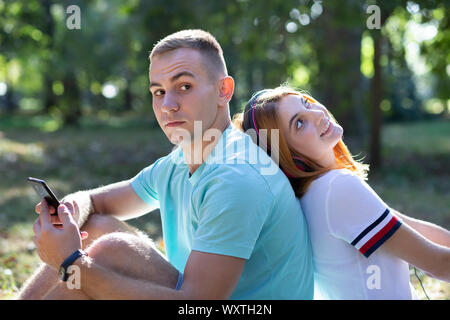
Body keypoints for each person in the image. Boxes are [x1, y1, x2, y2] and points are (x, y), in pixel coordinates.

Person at [18, 30, 314, 300]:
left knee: (109, 252)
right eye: (158, 91)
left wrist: (71, 263)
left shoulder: (237, 176)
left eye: (184, 86)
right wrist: (70, 212)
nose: (167, 104)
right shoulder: (179, 160)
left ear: (224, 90)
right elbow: (96, 203)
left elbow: (198, 304)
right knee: (95, 226)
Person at [233, 85, 450, 299]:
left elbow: (416, 230)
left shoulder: (317, 192)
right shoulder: (337, 189)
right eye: (299, 123)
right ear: (289, 156)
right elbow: (439, 264)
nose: (317, 114)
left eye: (307, 103)